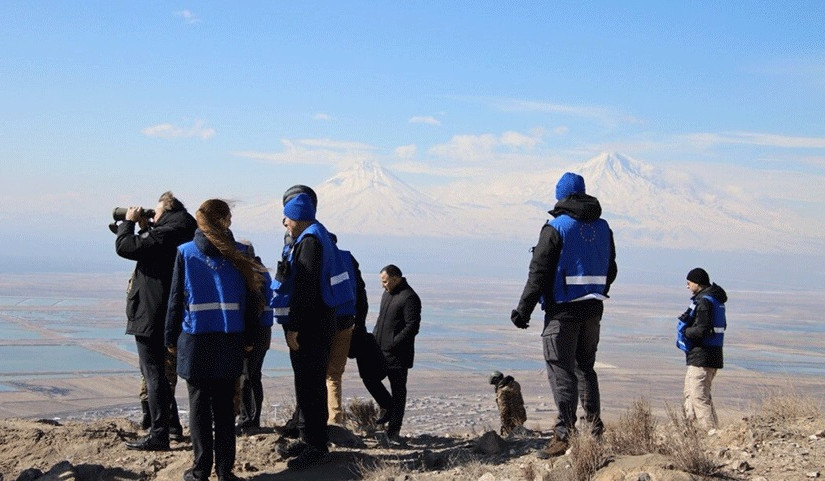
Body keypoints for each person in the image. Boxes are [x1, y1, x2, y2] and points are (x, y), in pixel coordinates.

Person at [511, 172, 617, 457]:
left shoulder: (556, 228)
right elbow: (611, 270)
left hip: (563, 312)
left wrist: (523, 311)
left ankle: (563, 435)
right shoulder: (603, 228)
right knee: (586, 369)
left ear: (561, 197)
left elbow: (538, 273)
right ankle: (594, 431)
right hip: (593, 309)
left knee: (561, 371)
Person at [165, 199, 266, 481]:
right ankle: (225, 471)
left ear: (201, 222)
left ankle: (200, 470)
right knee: (224, 409)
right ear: (227, 221)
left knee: (198, 408)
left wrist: (170, 338)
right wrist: (250, 338)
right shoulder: (240, 253)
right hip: (229, 340)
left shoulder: (185, 252)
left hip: (195, 341)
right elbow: (252, 301)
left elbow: (175, 300)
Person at [272, 192, 353, 470]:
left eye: (287, 217)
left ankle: (316, 445)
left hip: (311, 327)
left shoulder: (309, 242)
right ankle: (309, 438)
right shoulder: (318, 236)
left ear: (297, 217)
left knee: (310, 385)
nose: (285, 223)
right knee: (309, 384)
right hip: (321, 322)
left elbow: (305, 289)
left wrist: (294, 327)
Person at [115, 191, 196, 451]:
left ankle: (159, 434)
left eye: (156, 211)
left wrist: (128, 222)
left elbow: (125, 247)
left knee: (153, 374)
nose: (153, 214)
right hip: (169, 312)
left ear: (168, 210)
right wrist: (146, 228)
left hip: (152, 312)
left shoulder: (168, 233)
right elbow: (153, 252)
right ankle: (170, 425)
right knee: (159, 374)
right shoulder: (183, 230)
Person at [364, 264, 421, 442]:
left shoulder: (409, 297)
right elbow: (381, 319)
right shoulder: (387, 294)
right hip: (379, 350)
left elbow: (412, 327)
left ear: (396, 279)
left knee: (398, 391)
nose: (383, 285)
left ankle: (394, 430)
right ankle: (387, 406)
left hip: (398, 355)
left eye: (385, 281)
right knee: (369, 378)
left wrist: (393, 343)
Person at [676, 267, 727, 430]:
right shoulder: (715, 300)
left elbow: (702, 330)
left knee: (699, 397)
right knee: (691, 394)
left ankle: (710, 433)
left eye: (689, 282)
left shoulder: (704, 302)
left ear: (697, 283)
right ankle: (693, 431)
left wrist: (685, 332)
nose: (687, 286)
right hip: (707, 355)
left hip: (703, 356)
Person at [236, 243, 274, 434]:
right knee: (253, 375)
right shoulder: (261, 271)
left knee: (248, 376)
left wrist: (248, 338)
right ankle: (251, 418)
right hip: (263, 331)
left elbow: (253, 309)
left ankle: (248, 420)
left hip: (254, 331)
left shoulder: (253, 275)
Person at [489, 370, 527, 436]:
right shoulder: (513, 385)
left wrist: (504, 423)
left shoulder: (502, 391)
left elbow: (504, 409)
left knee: (511, 438)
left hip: (511, 420)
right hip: (520, 416)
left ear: (496, 380)